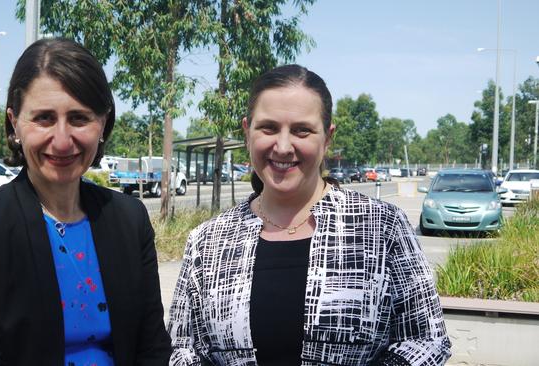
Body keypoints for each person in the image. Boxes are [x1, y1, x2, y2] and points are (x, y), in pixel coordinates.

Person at [167, 64, 451, 365]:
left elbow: (427, 340)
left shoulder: (382, 227)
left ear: (327, 138)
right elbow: (182, 349)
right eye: (269, 128)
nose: (284, 146)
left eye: (302, 130)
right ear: (247, 132)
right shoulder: (208, 241)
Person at [0, 38, 171, 365]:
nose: (62, 141)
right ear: (14, 122)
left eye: (79, 118)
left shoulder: (129, 220)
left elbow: (153, 349)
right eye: (44, 118)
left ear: (102, 124)